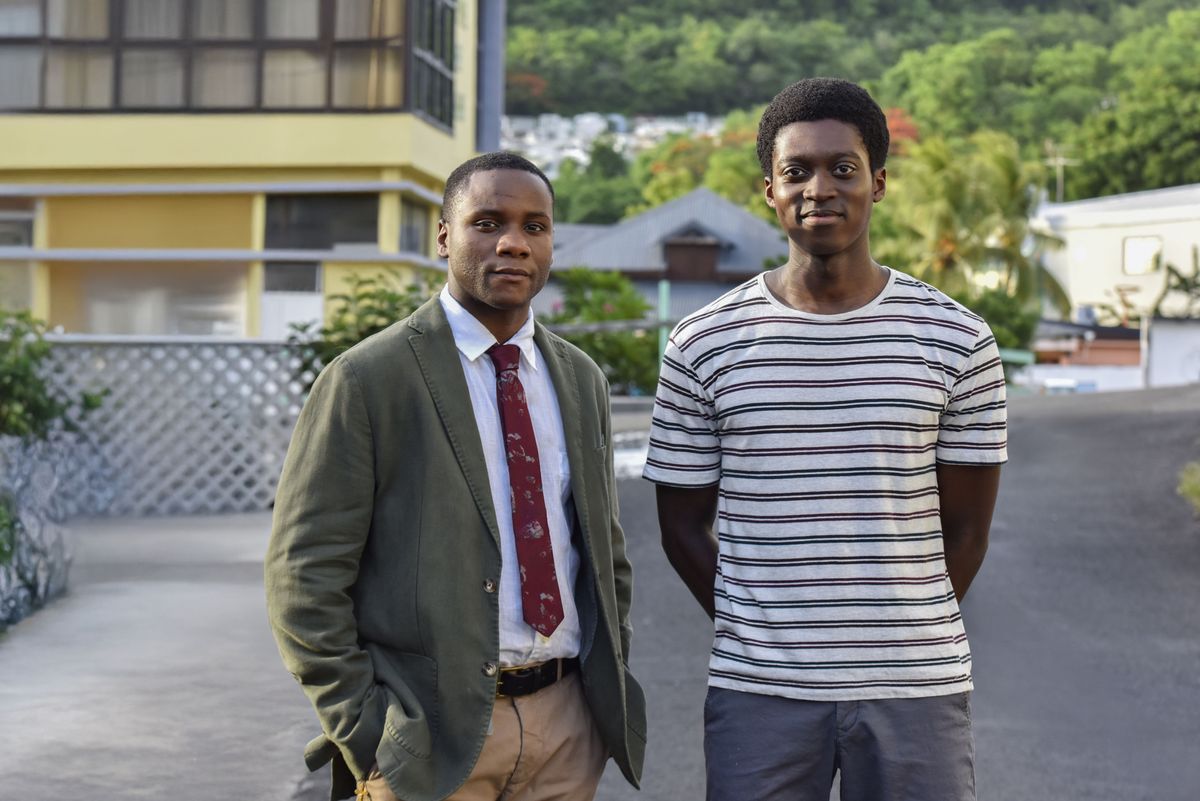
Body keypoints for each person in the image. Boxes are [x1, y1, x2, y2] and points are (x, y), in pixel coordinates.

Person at [643, 78, 1005, 801]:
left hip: (917, 690)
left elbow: (965, 532)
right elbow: (681, 528)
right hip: (759, 693)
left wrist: (894, 633)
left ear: (878, 182)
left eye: (842, 169)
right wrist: (766, 631)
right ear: (768, 191)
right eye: (796, 171)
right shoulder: (703, 343)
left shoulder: (958, 339)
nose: (820, 188)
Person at [266, 152, 645, 801]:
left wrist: (597, 696)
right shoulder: (368, 380)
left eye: (535, 226)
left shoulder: (580, 378)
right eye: (487, 222)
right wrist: (368, 734)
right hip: (429, 741)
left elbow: (604, 555)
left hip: (566, 729)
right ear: (444, 235)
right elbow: (303, 578)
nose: (512, 243)